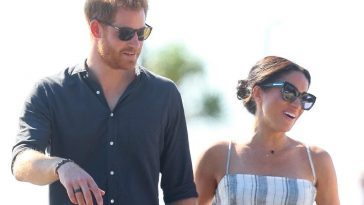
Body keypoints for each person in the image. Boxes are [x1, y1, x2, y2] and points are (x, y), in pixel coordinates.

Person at [11, 0, 197, 204]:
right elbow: (21, 161)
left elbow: (181, 190)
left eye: (141, 33)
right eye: (125, 33)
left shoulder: (165, 95)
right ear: (96, 28)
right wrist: (62, 166)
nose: (136, 43)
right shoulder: (50, 92)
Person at [194, 56, 340, 205]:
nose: (297, 104)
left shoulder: (317, 161)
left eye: (304, 98)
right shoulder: (218, 156)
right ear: (257, 93)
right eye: (289, 92)